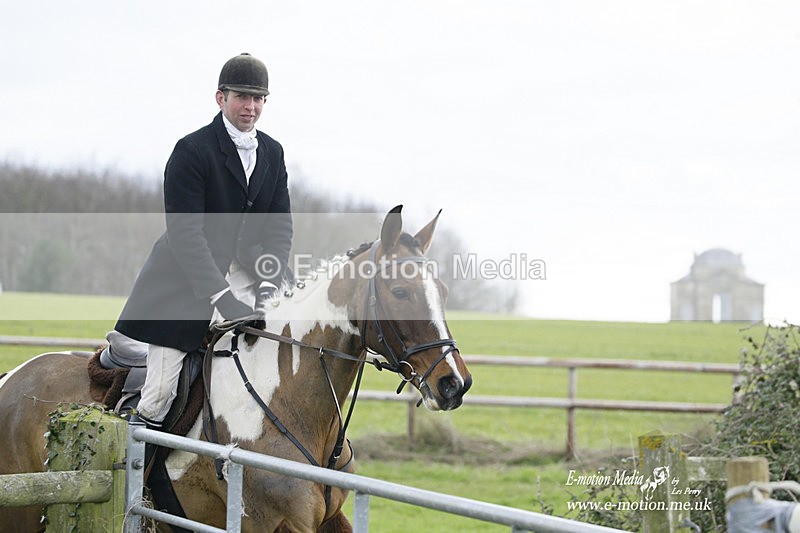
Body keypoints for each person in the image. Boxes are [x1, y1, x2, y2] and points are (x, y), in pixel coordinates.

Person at [112, 53, 292, 427]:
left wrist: (268, 287)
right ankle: (137, 477)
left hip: (246, 273)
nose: (251, 106)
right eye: (243, 96)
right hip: (184, 282)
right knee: (160, 392)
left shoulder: (273, 152)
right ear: (220, 98)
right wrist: (223, 299)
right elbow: (185, 235)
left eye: (259, 99)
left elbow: (279, 229)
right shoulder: (192, 151)